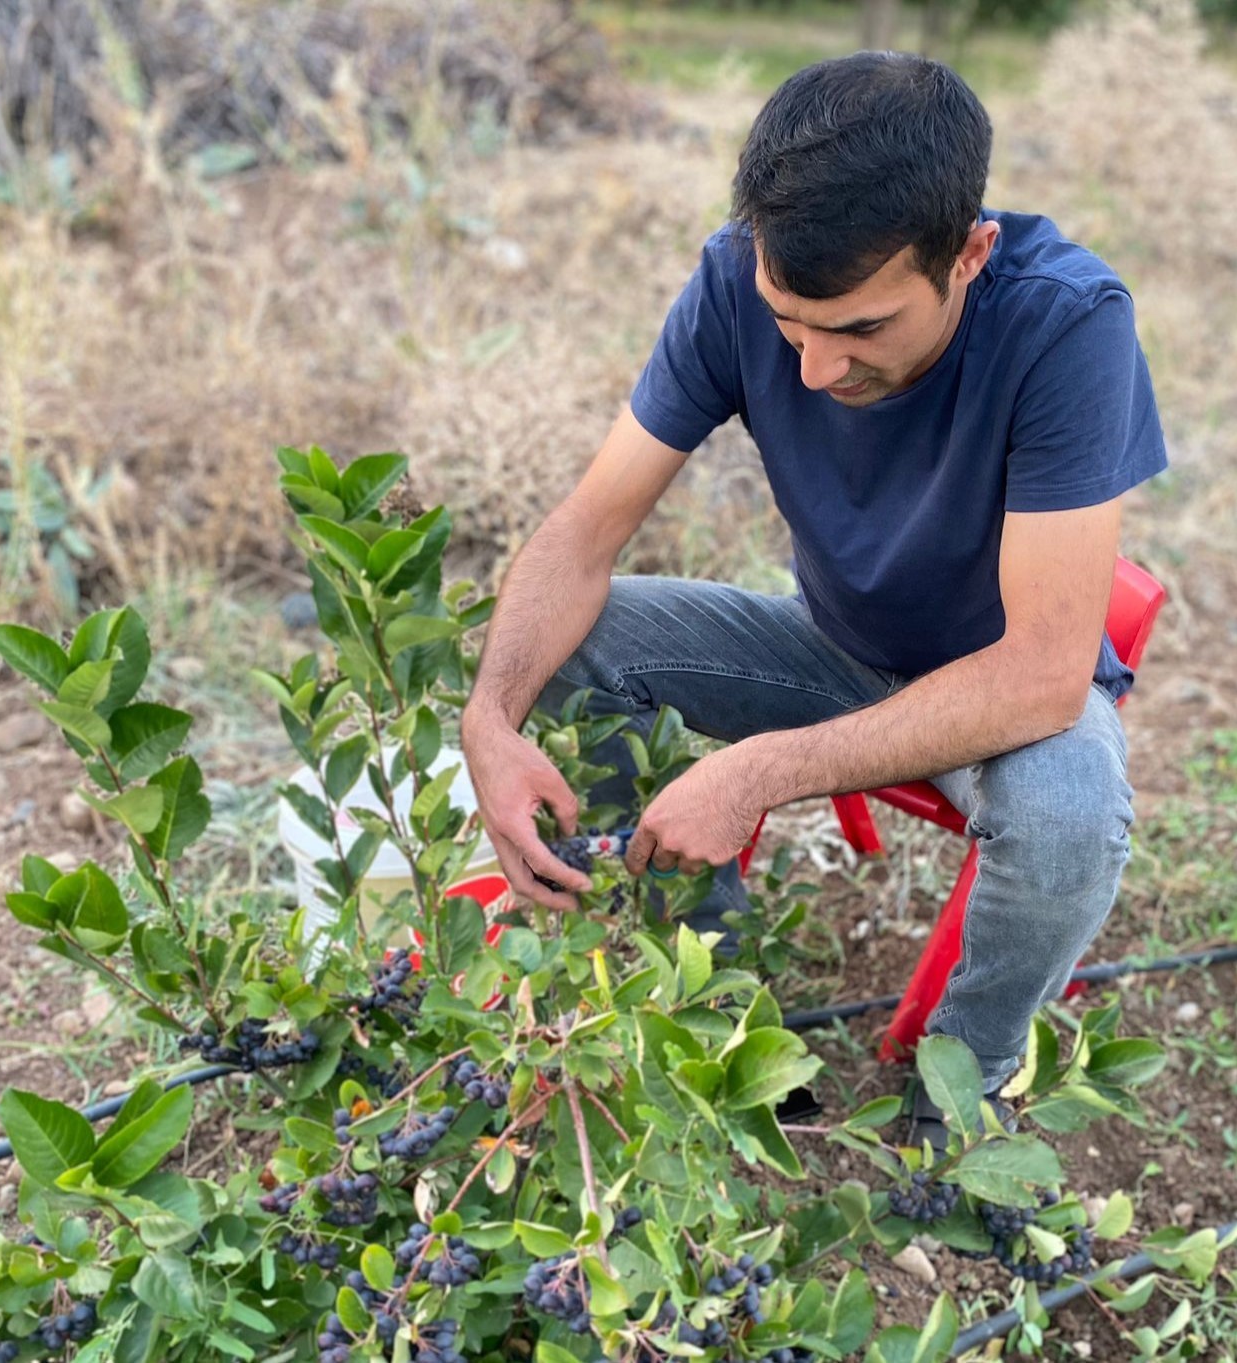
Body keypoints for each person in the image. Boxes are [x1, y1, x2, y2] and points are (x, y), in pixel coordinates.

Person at [461, 52, 1166, 1140]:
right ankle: (722, 1034)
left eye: (863, 330)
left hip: (1003, 693)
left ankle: (960, 1105)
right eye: (791, 324)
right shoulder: (733, 278)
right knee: (568, 649)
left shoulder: (1066, 324)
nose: (815, 372)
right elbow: (586, 529)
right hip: (831, 652)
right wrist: (490, 715)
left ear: (970, 257)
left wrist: (756, 771)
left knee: (1073, 814)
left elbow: (1040, 677)